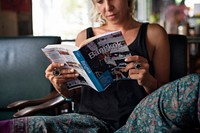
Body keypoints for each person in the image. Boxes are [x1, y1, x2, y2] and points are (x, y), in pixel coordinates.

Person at [0, 0, 199, 132]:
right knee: (33, 126)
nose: (107, 7)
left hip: (139, 120)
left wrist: (147, 80)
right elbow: (76, 94)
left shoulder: (153, 33)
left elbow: (164, 93)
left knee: (194, 84)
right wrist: (61, 87)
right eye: (99, 1)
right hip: (91, 123)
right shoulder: (84, 36)